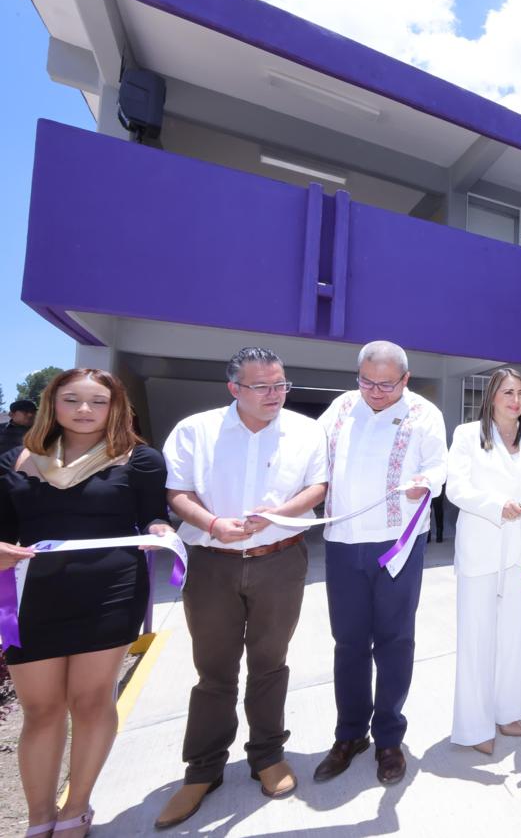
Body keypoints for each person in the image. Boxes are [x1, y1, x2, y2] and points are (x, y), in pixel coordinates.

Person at [155, 348, 328, 829]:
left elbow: (317, 487)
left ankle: (267, 755)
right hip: (213, 564)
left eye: (281, 385)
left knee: (270, 664)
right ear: (234, 388)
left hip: (280, 561)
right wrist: (212, 523)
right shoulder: (196, 430)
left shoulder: (306, 431)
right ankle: (203, 769)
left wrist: (278, 515)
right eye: (262, 387)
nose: (275, 394)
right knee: (214, 670)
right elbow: (176, 492)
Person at [1, 370, 172, 838]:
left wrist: (161, 531)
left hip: (110, 591)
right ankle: (39, 817)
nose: (84, 410)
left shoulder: (140, 459)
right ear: (51, 404)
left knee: (92, 700)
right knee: (41, 710)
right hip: (33, 595)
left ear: (115, 408)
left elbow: (152, 515)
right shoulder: (17, 459)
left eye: (98, 401)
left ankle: (76, 807)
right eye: (71, 399)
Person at [313, 341, 446, 785]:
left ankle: (389, 737)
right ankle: (350, 734)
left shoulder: (424, 414)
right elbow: (313, 457)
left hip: (398, 545)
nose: (374, 391)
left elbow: (439, 467)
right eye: (366, 382)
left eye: (386, 385)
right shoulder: (341, 407)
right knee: (348, 642)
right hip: (343, 541)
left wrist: (425, 482)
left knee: (394, 641)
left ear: (405, 379)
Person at [447, 368, 521, 754]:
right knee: (477, 637)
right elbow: (456, 488)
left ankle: (508, 711)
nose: (516, 400)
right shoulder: (467, 435)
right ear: (492, 396)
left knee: (514, 635)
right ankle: (474, 726)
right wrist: (495, 505)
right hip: (482, 545)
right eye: (508, 392)